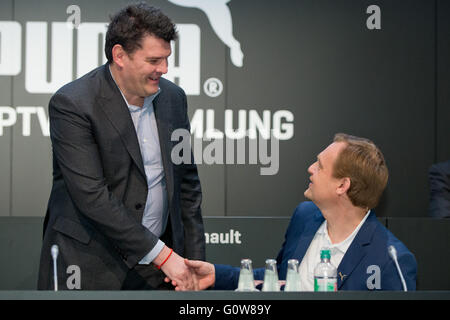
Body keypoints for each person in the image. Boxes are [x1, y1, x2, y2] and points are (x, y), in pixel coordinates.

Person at [38, 3, 205, 290]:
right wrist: (163, 255)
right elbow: (92, 196)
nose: (163, 69)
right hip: (91, 264)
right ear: (120, 55)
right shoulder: (73, 104)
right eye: (154, 61)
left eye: (167, 59)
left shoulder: (174, 99)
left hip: (162, 271)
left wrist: (193, 264)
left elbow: (186, 186)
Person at [177, 133, 417, 291]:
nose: (310, 168)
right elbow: (280, 278)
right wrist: (216, 276)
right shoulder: (305, 217)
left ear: (342, 186)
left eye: (320, 166)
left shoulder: (391, 260)